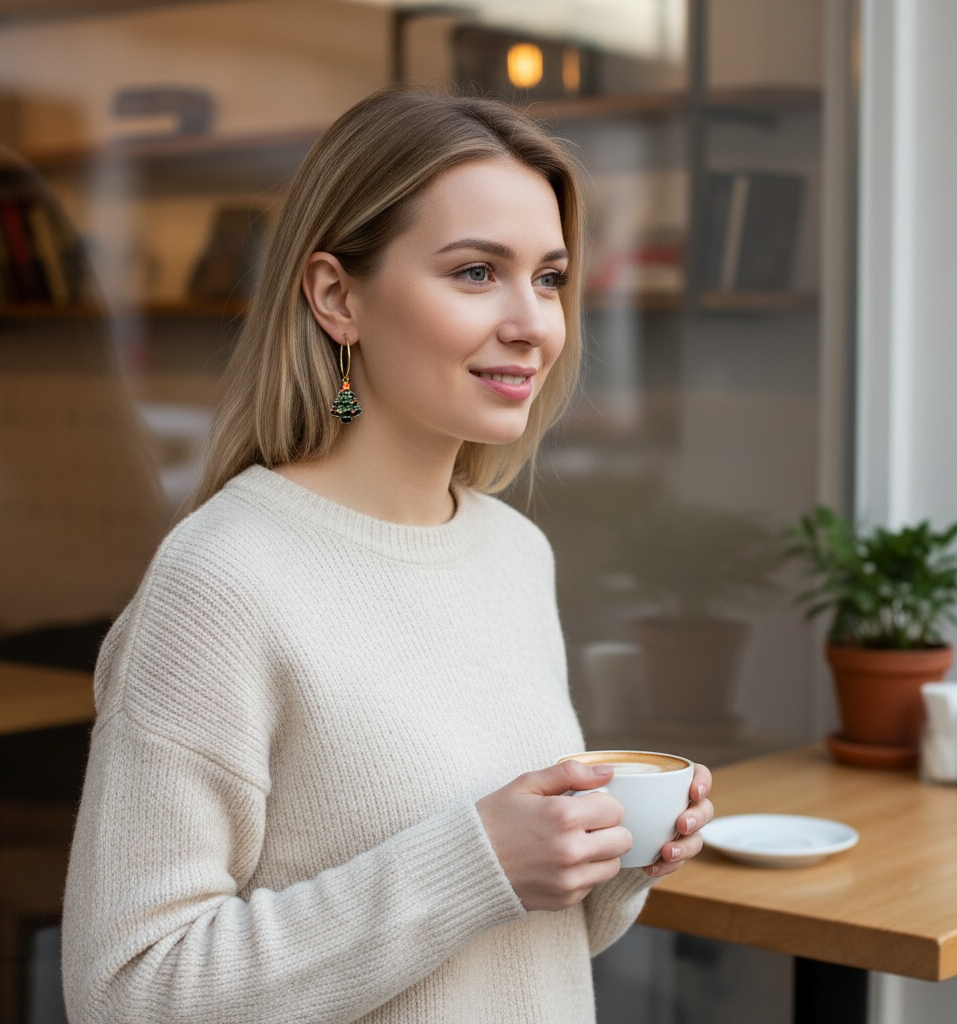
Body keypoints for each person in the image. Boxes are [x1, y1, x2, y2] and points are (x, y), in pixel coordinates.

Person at [61, 86, 714, 1024]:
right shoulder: (222, 581)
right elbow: (128, 991)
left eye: (551, 277)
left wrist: (610, 858)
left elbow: (509, 951)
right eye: (477, 272)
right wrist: (478, 862)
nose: (534, 322)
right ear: (337, 298)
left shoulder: (513, 554)